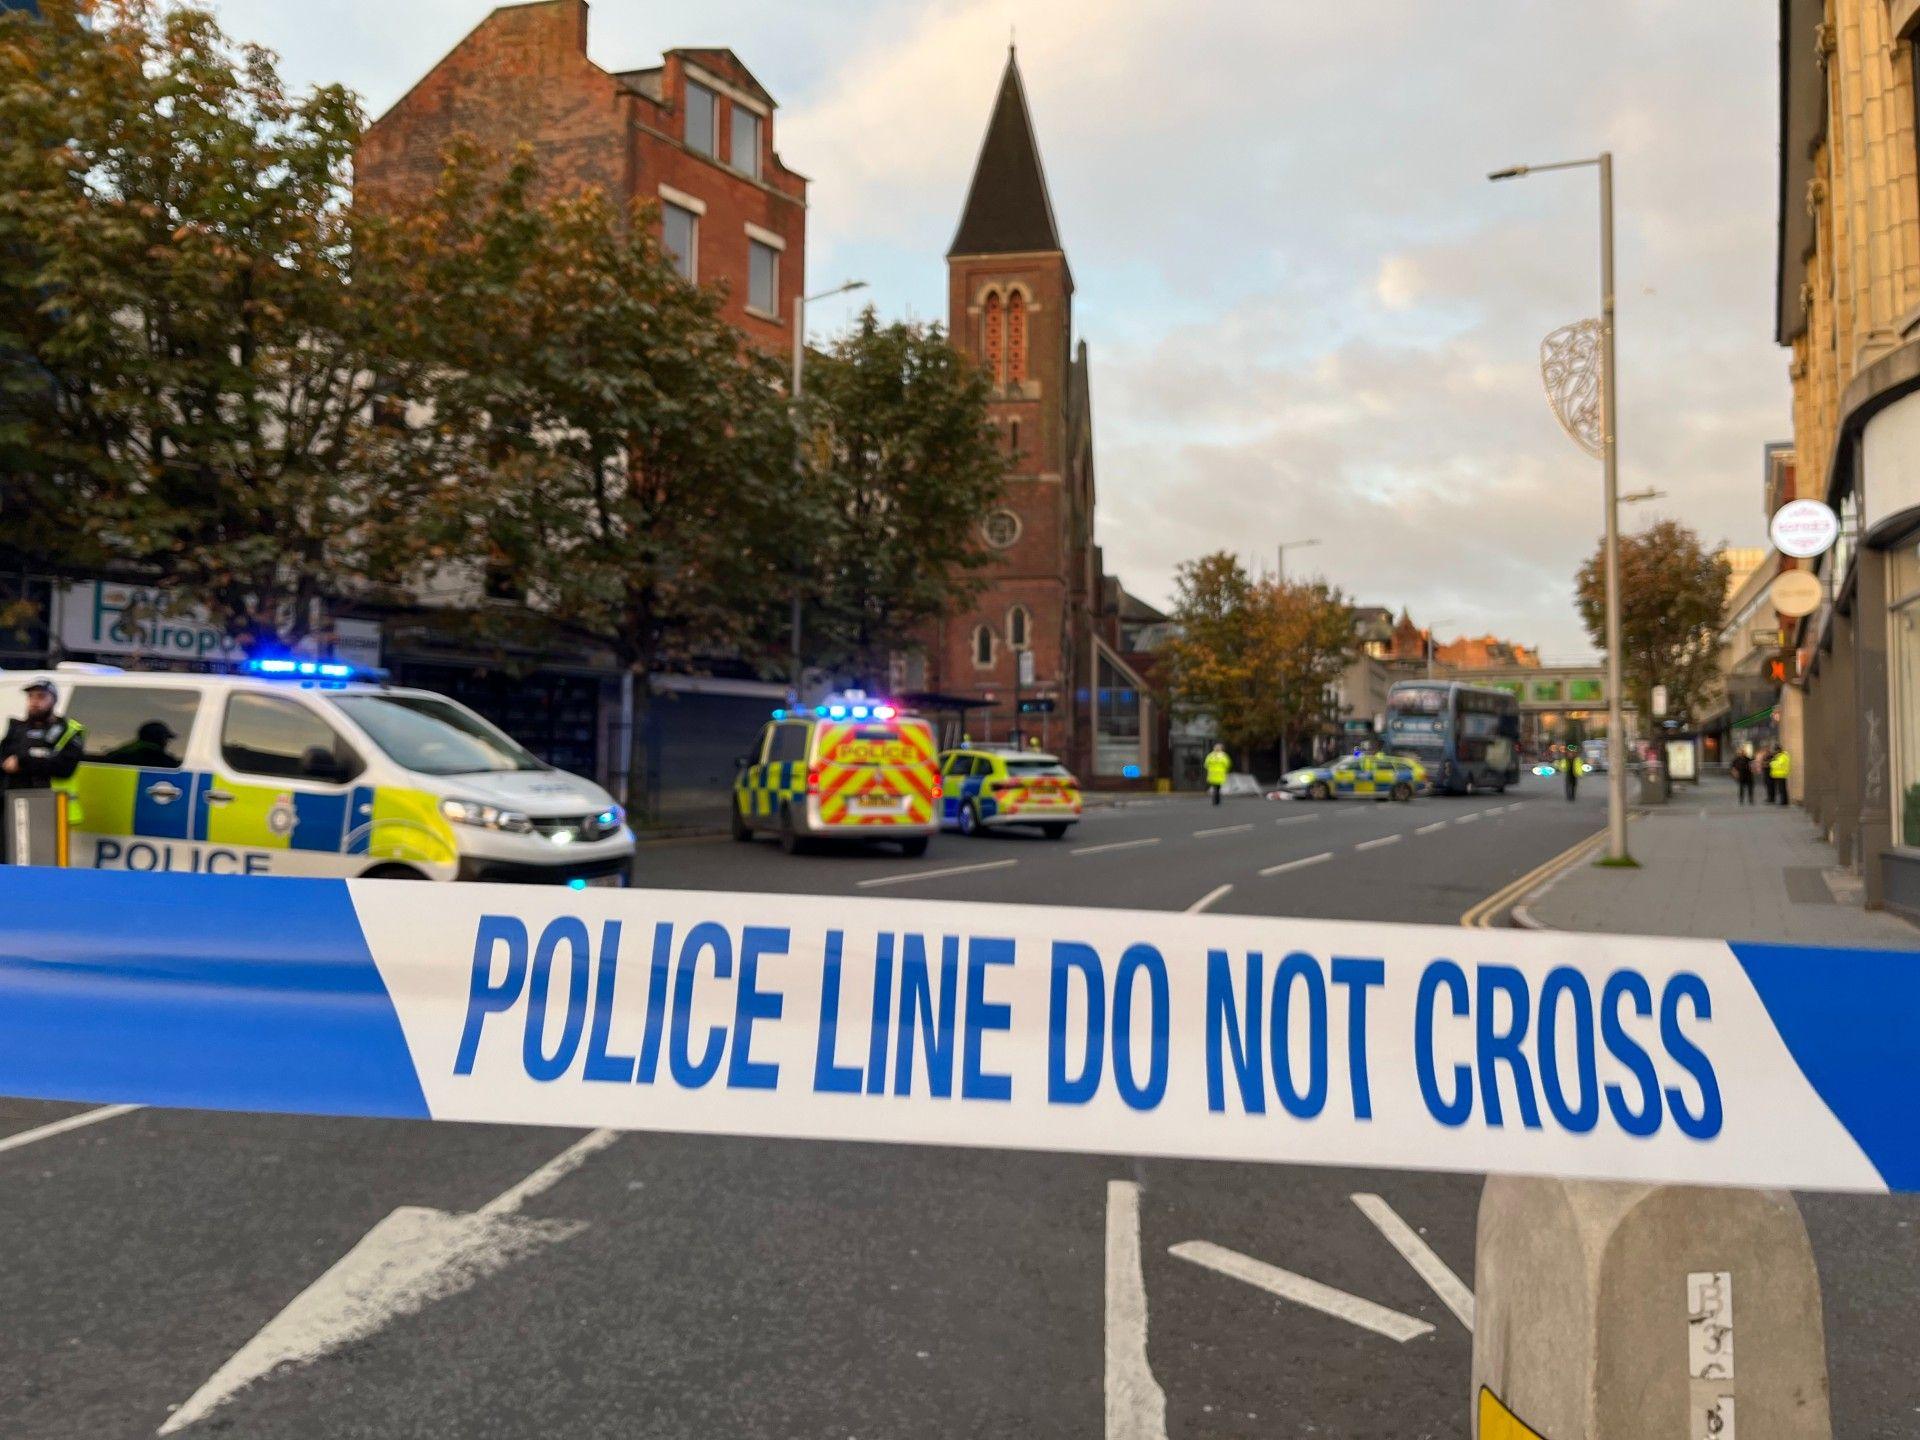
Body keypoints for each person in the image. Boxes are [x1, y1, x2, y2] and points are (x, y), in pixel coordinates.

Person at [1, 678, 86, 858]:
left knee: (42, 862)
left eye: (41, 697)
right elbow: (4, 760)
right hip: (11, 805)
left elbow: (64, 767)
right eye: (31, 697)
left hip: (49, 806)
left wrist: (23, 763)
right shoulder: (17, 729)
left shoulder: (69, 730)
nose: (34, 701)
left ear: (53, 700)